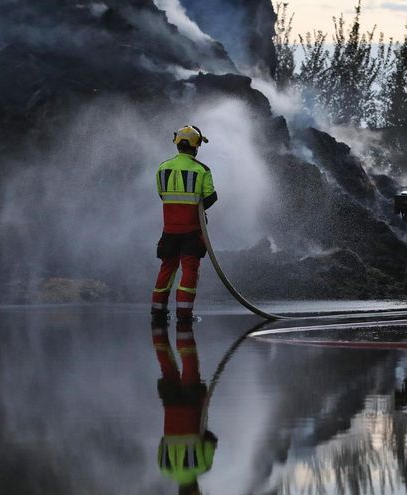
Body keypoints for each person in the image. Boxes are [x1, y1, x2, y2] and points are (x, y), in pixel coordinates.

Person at [152, 125, 217, 323]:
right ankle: (184, 314)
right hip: (192, 231)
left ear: (178, 144)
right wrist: (197, 208)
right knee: (189, 270)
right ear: (196, 147)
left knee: (167, 268)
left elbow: (163, 195)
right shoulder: (202, 170)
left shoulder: (162, 168)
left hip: (169, 229)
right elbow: (212, 197)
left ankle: (158, 312)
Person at [152, 320, 218, 494]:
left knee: (190, 366)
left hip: (192, 406)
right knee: (167, 368)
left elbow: (211, 441)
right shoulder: (164, 468)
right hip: (171, 406)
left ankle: (185, 332)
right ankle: (158, 334)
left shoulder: (202, 467)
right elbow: (162, 442)